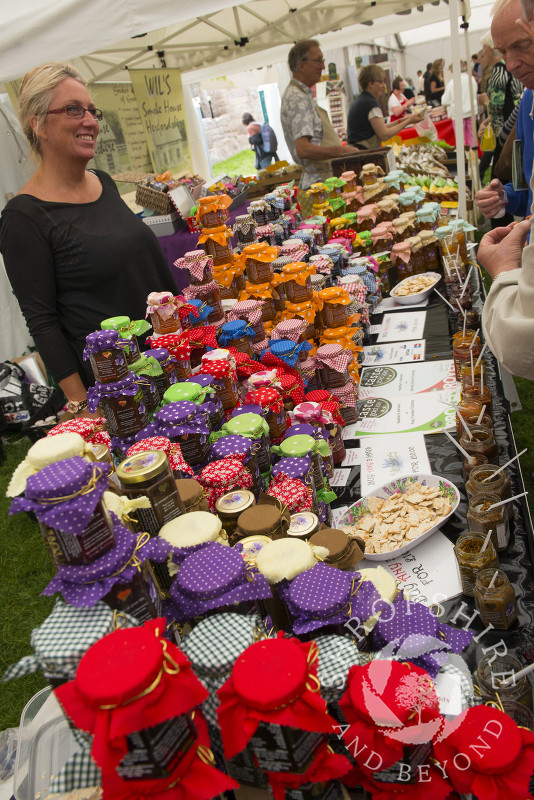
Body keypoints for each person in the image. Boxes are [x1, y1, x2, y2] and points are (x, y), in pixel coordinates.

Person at [0, 62, 178, 415]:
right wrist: (83, 406)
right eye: (73, 109)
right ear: (38, 124)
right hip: (118, 389)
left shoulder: (104, 182)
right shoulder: (24, 217)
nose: (91, 121)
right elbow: (42, 321)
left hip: (169, 361)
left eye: (91, 110)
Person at [477, 0, 534, 378]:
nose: (511, 64)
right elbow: (529, 192)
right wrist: (505, 200)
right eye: (502, 52)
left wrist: (503, 272)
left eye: (522, 46)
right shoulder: (530, 99)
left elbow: (521, 345)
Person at [280, 40, 360, 189]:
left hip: (324, 180)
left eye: (322, 60)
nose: (323, 66)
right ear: (301, 65)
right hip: (319, 185)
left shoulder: (302, 95)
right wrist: (341, 151)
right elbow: (303, 149)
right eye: (318, 61)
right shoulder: (297, 98)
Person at [347, 65, 423, 150]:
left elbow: (383, 127)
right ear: (371, 84)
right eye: (380, 82)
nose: (383, 85)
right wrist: (409, 121)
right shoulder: (370, 104)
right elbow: (384, 134)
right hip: (363, 153)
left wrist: (407, 119)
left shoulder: (362, 100)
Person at [441, 60, 479, 148]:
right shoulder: (471, 79)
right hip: (472, 112)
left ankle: (465, 159)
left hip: (458, 114)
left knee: (461, 141)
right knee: (472, 138)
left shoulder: (452, 83)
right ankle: (473, 157)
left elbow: (444, 100)